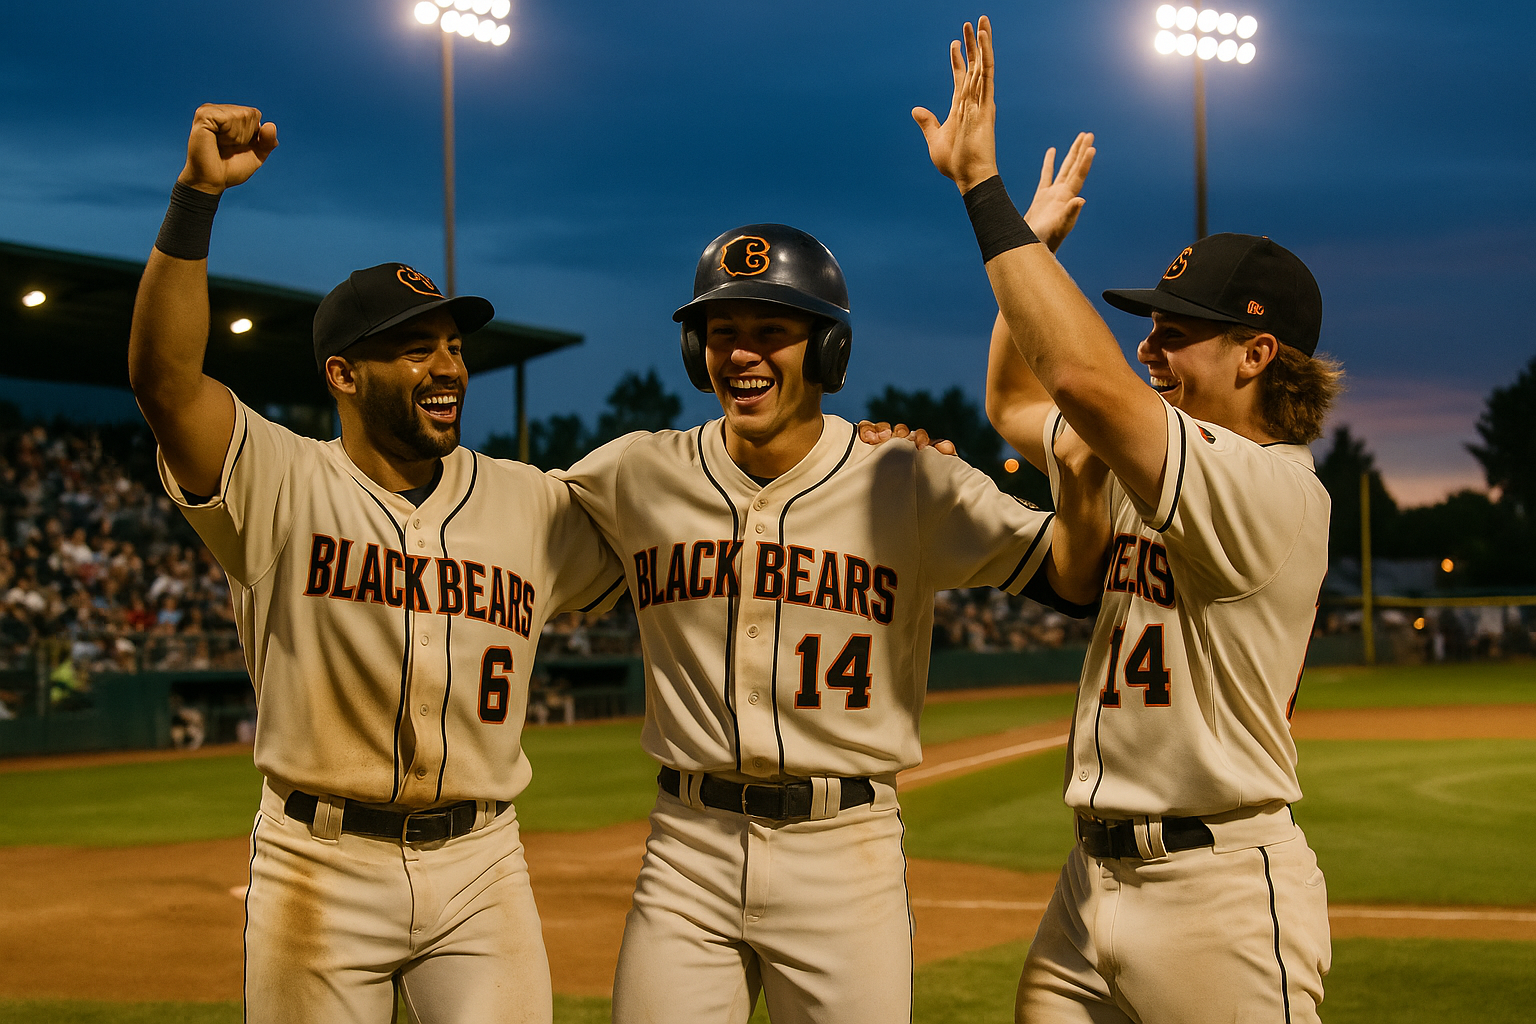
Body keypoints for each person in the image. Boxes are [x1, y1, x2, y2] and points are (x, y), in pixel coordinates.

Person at [556, 183, 1110, 1021]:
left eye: (771, 333)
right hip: (687, 848)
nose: (741, 354)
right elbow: (491, 531)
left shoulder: (907, 476)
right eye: (722, 332)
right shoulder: (636, 471)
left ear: (828, 352)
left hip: (843, 850)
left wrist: (1079, 473)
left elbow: (1070, 577)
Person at [128, 103, 624, 1024]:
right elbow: (165, 384)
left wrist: (862, 456)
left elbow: (691, 530)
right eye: (411, 348)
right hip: (319, 860)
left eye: (452, 344)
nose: (446, 366)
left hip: (483, 863)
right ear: (343, 375)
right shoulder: (278, 479)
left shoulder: (530, 501)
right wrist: (196, 197)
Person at [915, 18, 1344, 1023]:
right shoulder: (1161, 462)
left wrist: (986, 198)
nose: (1150, 345)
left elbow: (1080, 377)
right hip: (1090, 882)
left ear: (1256, 355)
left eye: (1178, 330)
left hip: (1219, 893)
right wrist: (1041, 240)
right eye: (1148, 325)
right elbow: (1019, 403)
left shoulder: (1269, 487)